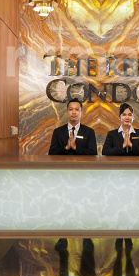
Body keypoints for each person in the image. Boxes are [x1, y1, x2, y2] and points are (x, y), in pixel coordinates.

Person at [48, 98, 97, 252]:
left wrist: (76, 148)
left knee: (84, 206)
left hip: (83, 176)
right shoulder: (58, 132)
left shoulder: (89, 132)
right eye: (71, 109)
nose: (74, 112)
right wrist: (66, 147)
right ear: (67, 112)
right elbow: (52, 153)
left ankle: (87, 238)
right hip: (64, 176)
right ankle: (62, 238)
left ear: (81, 112)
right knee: (64, 206)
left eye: (77, 109)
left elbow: (93, 153)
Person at [102, 102, 139, 250]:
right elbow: (105, 152)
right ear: (119, 117)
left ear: (133, 117)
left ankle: (128, 236)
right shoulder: (112, 134)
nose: (127, 117)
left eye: (130, 114)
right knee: (118, 206)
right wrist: (122, 146)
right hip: (117, 177)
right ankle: (119, 236)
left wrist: (131, 145)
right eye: (124, 114)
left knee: (130, 206)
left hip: (134, 177)